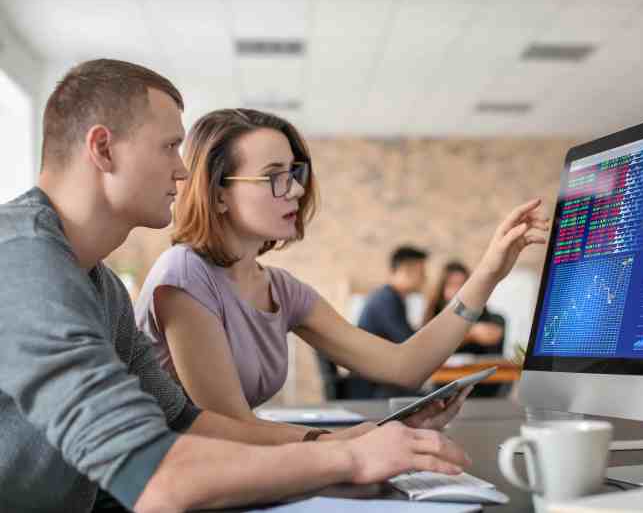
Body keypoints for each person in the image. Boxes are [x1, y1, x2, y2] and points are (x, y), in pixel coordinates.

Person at [0, 59, 471, 513]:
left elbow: (189, 422)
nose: (184, 172)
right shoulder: (20, 262)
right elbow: (156, 477)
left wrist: (356, 439)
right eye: (169, 147)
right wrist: (350, 456)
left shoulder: (100, 285)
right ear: (103, 149)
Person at [134, 107, 550, 423]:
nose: (296, 189)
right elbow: (230, 429)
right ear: (218, 193)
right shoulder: (184, 275)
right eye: (275, 175)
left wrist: (489, 273)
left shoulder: (281, 288)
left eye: (295, 173)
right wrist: (370, 437)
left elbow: (404, 366)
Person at [351, 245, 430, 398]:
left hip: (380, 381)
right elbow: (409, 343)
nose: (425, 278)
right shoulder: (386, 300)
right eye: (421, 273)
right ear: (405, 270)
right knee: (431, 395)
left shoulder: (392, 298)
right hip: (373, 389)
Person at [424, 260, 507, 397]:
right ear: (441, 289)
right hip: (445, 386)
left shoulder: (486, 316)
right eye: (452, 285)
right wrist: (470, 334)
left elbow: (493, 346)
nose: (458, 290)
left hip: (481, 386)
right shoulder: (434, 317)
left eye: (463, 285)